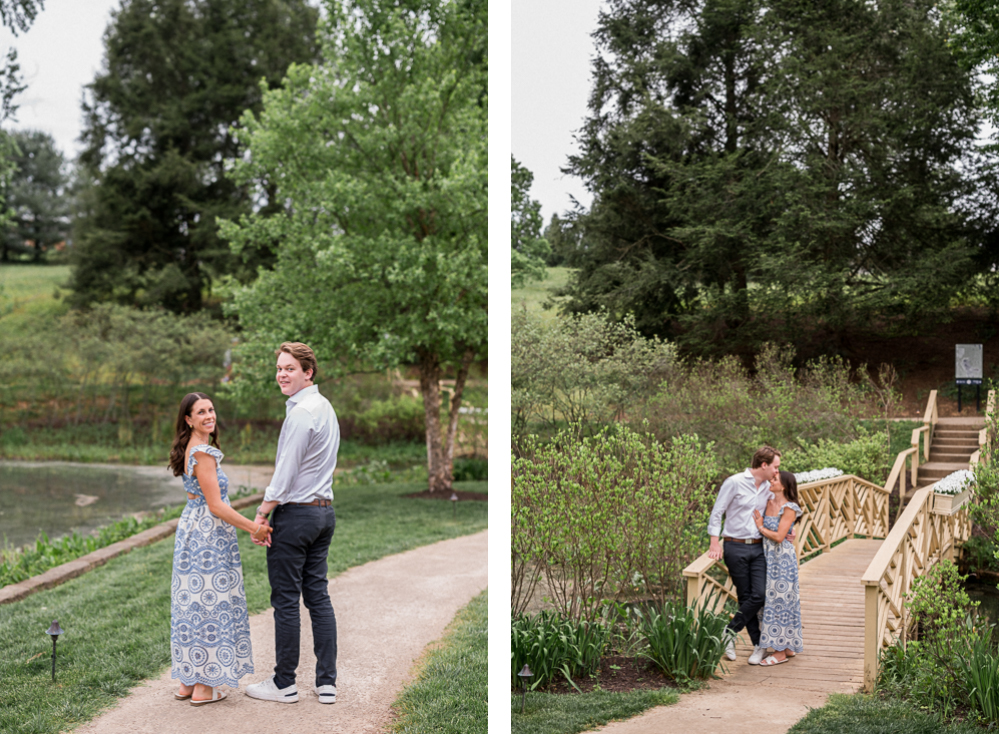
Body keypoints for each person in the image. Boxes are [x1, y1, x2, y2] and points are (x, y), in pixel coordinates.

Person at [246, 342, 340, 705]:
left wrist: (262, 512)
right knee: (317, 596)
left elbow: (285, 474)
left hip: (297, 515)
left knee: (286, 600)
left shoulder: (302, 412)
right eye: (279, 368)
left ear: (308, 372)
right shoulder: (325, 406)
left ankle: (284, 683)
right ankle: (326, 682)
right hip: (324, 512)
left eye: (290, 368)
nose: (282, 374)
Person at [168, 392, 271, 706]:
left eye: (211, 409)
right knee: (211, 604)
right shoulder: (204, 453)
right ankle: (204, 686)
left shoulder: (189, 449)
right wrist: (255, 527)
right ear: (188, 419)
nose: (209, 416)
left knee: (193, 602)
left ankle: (188, 681)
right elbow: (216, 506)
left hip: (190, 531)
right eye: (201, 412)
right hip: (208, 537)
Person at [707, 446, 782, 665]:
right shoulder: (734, 482)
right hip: (734, 546)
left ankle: (728, 633)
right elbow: (717, 511)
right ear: (764, 465)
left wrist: (788, 528)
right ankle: (758, 646)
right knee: (745, 595)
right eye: (776, 466)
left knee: (759, 595)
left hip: (759, 547)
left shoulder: (769, 487)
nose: (777, 471)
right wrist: (714, 541)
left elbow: (781, 505)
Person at [752, 469, 804, 666]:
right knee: (770, 601)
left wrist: (761, 527)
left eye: (775, 479)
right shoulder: (767, 501)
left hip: (781, 559)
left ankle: (780, 652)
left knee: (781, 602)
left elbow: (780, 536)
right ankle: (788, 646)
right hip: (767, 557)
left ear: (783, 486)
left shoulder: (789, 507)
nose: (771, 481)